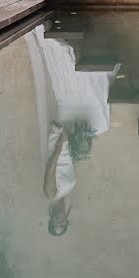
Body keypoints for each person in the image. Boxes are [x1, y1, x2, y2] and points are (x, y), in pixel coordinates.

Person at [24, 24, 117, 237]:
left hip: (60, 146)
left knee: (97, 121)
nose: (59, 221)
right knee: (100, 125)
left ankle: (75, 64)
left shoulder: (51, 195)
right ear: (65, 220)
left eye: (55, 224)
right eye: (62, 224)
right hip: (68, 148)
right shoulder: (66, 195)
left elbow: (51, 167)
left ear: (50, 219)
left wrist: (62, 141)